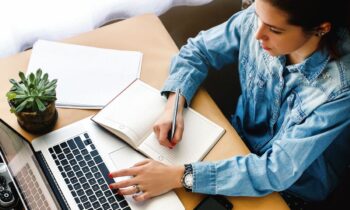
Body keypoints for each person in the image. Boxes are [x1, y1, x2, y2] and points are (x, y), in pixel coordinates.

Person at [108, 0, 350, 209]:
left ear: (321, 29)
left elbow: (277, 171)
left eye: (274, 30)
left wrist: (181, 177)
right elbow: (198, 51)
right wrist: (174, 104)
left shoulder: (341, 89)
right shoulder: (260, 18)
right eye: (256, 14)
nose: (257, 34)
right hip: (234, 143)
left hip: (292, 190)